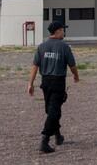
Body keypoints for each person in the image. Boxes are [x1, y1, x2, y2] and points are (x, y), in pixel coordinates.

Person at [27, 21, 79, 153]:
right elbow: (72, 65)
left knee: (52, 109)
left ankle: (58, 136)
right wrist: (76, 76)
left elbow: (35, 66)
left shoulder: (42, 46)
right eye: (62, 30)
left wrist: (30, 83)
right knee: (53, 111)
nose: (64, 32)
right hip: (58, 81)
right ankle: (44, 139)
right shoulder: (64, 47)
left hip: (45, 82)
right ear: (57, 31)